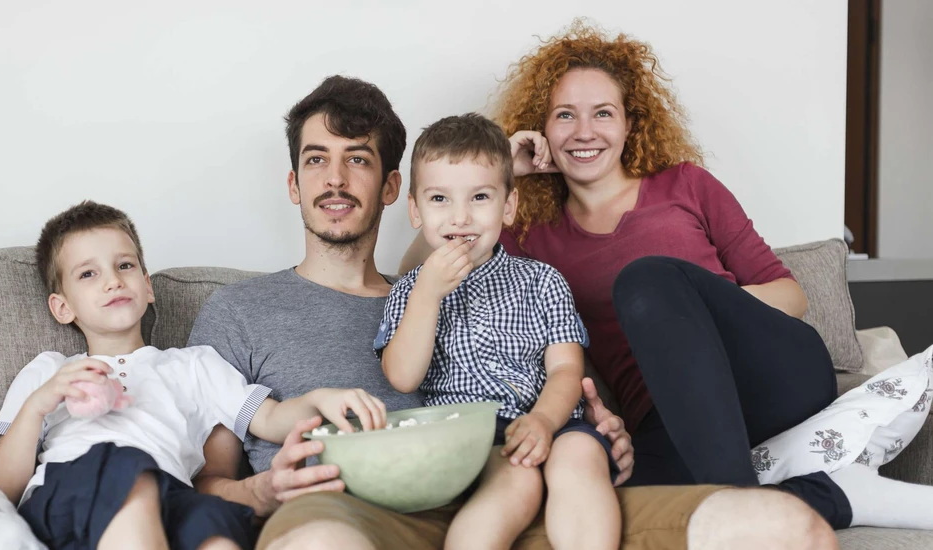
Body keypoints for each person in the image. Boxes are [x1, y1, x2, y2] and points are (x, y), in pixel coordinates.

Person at [191, 75, 836, 550]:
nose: (335, 179)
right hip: (357, 518)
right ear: (293, 183)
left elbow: (559, 360)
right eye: (316, 160)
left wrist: (595, 429)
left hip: (528, 490)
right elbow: (203, 482)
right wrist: (260, 493)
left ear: (391, 191)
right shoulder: (241, 310)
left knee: (789, 530)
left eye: (357, 159)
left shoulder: (459, 282)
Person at [402, 19, 931, 532]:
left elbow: (791, 296)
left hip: (773, 376)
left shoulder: (686, 186)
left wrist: (696, 308)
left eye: (603, 113)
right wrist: (499, 170)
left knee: (646, 281)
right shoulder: (530, 231)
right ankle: (829, 495)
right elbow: (417, 271)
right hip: (670, 418)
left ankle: (744, 517)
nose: (584, 132)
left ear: (630, 123)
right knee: (621, 502)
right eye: (564, 115)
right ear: (542, 127)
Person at [0, 200, 389, 550]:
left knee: (214, 524)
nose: (112, 281)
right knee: (130, 470)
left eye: (124, 265)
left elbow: (269, 419)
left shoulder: (194, 365)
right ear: (62, 308)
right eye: (88, 274)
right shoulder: (49, 370)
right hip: (69, 494)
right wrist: (38, 406)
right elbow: (1, 486)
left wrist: (318, 400)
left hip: (171, 496)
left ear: (147, 285)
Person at [378, 113, 619, 549]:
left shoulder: (542, 281)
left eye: (480, 197)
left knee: (581, 454)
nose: (460, 217)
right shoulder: (410, 290)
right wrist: (427, 295)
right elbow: (402, 376)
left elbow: (566, 370)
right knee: (517, 477)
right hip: (469, 436)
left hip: (552, 419)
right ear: (415, 210)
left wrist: (544, 421)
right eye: (439, 199)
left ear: (507, 207)